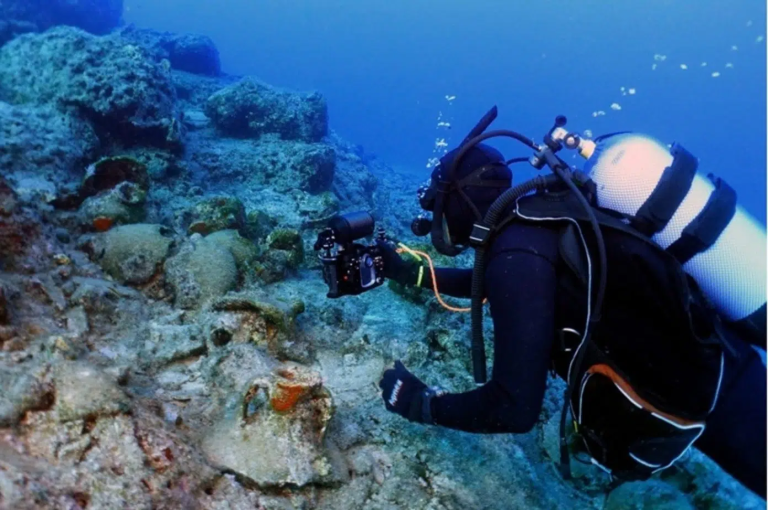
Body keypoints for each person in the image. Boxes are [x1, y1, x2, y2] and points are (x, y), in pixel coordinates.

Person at [375, 115, 767, 499]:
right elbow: (499, 286)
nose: (435, 217)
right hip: (724, 365)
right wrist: (411, 273)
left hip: (725, 403)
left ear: (458, 201)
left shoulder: (515, 252)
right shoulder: (537, 220)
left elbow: (513, 407)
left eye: (437, 203)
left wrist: (421, 404)